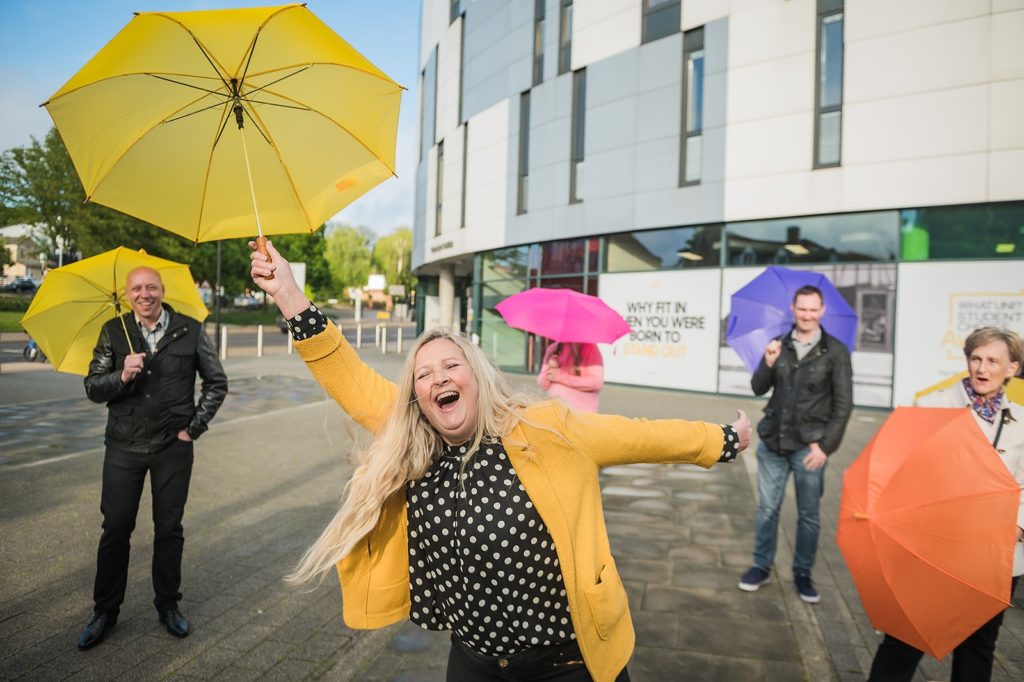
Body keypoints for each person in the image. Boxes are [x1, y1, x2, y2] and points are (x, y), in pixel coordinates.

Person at [249, 240, 752, 682]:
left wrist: (724, 439)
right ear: (416, 396)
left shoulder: (547, 430)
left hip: (566, 663)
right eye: (424, 375)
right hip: (475, 661)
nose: (438, 379)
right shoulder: (417, 438)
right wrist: (289, 295)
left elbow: (643, 436)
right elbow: (348, 375)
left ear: (478, 377)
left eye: (451, 365)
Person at [77, 267, 227, 650]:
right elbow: (93, 387)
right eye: (136, 289)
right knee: (115, 529)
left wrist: (193, 428)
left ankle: (168, 606)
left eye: (151, 287)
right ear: (128, 295)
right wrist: (122, 377)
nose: (144, 294)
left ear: (162, 290)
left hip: (172, 449)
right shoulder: (114, 331)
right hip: (123, 446)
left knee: (169, 529)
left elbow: (216, 382)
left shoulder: (189, 329)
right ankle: (105, 612)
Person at [867, 327, 1023, 682]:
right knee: (906, 640)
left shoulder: (1022, 422)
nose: (982, 368)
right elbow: (905, 472)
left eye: (994, 361)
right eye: (976, 358)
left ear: (1012, 368)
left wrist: (1019, 526)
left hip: (994, 555)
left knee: (978, 648)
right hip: (936, 550)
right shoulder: (933, 405)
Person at [737, 284, 853, 604]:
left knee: (809, 515)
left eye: (813, 309)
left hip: (809, 448)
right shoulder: (778, 345)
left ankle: (803, 573)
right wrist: (768, 362)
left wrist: (824, 447)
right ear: (793, 308)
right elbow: (758, 388)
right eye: (802, 309)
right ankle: (761, 566)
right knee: (767, 510)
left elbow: (843, 405)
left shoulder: (836, 352)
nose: (807, 315)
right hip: (773, 442)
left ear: (822, 311)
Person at [537, 341, 604, 413]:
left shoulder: (591, 348)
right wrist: (549, 368)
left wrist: (560, 377)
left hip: (581, 414)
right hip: (556, 412)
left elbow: (596, 383)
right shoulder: (553, 349)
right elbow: (543, 384)